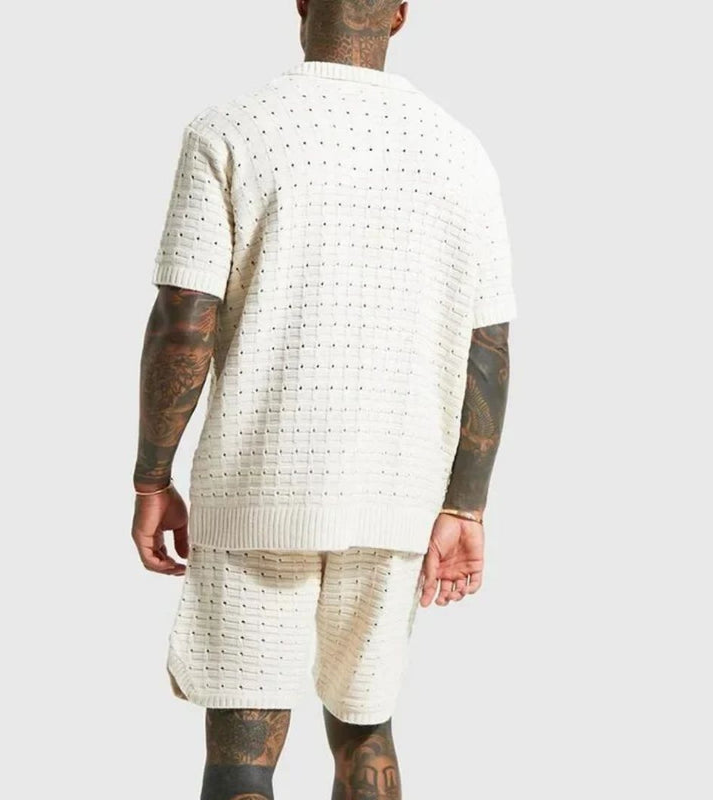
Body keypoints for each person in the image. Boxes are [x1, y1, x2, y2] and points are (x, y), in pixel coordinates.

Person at [130, 1, 517, 797]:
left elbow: (184, 320)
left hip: (256, 489)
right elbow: (489, 346)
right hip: (397, 494)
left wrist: (152, 476)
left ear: (301, 4)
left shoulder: (231, 130)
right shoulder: (460, 151)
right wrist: (466, 505)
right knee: (365, 731)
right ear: (401, 15)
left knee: (241, 753)